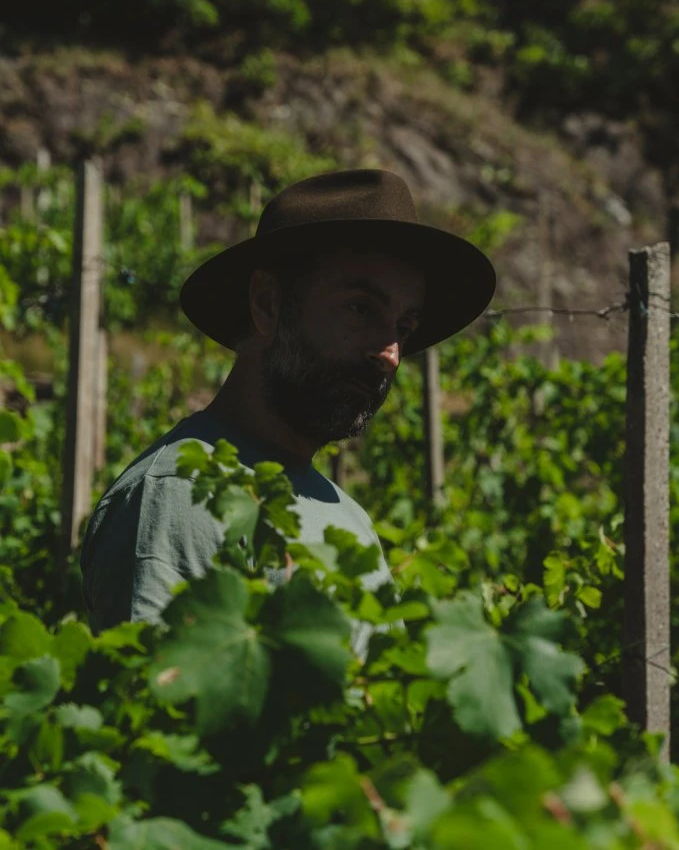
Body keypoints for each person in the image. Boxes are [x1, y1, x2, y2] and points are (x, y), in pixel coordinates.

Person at [80, 169, 496, 649]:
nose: (390, 353)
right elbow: (157, 711)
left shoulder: (348, 516)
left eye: (403, 326)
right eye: (361, 308)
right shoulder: (177, 498)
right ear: (268, 303)